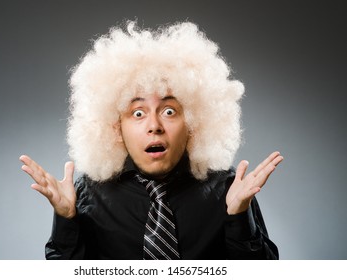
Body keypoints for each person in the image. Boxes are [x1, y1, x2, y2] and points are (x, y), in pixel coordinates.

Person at [20, 21, 283, 260]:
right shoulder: (89, 193)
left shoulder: (227, 190)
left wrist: (238, 218)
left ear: (194, 121)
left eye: (169, 111)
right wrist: (67, 220)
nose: (154, 126)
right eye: (137, 113)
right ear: (115, 126)